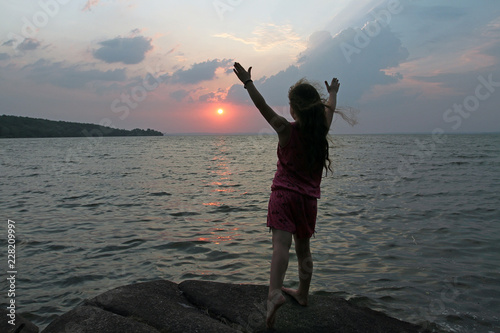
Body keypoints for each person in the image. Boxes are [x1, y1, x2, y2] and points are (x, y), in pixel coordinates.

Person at [233, 62, 348, 329]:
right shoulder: (321, 131)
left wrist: (248, 83)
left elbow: (262, 107)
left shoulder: (285, 129)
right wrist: (333, 94)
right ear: (315, 108)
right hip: (307, 202)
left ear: (293, 108)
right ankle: (303, 295)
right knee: (303, 248)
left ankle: (275, 292)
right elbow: (329, 110)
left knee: (280, 246)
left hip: (283, 197)